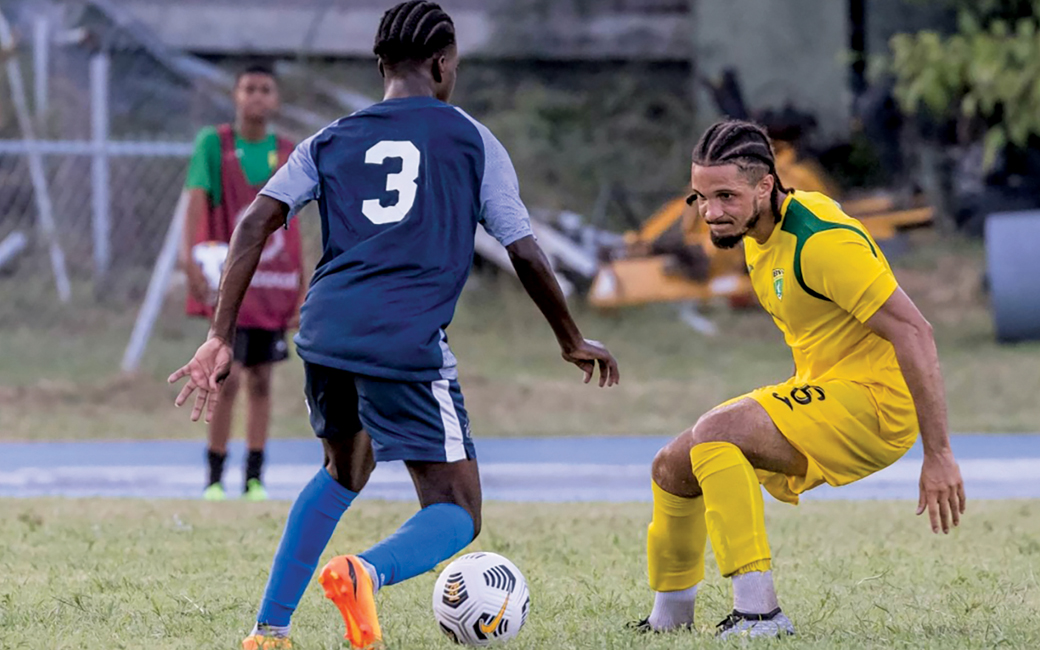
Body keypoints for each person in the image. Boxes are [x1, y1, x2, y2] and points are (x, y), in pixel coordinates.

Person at [168, 2, 620, 648]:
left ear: (380, 65)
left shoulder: (330, 138)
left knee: (343, 470)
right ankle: (364, 573)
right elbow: (523, 249)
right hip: (404, 341)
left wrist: (219, 333)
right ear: (443, 64)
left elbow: (252, 223)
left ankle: (269, 630)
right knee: (457, 510)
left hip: (324, 331)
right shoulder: (471, 140)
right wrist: (571, 338)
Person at [634, 120, 965, 639]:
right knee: (672, 465)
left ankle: (760, 616)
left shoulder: (820, 243)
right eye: (700, 196)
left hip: (876, 407)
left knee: (717, 432)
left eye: (726, 195)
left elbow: (916, 333)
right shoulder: (754, 233)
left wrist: (939, 454)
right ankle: (668, 621)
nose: (711, 212)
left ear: (766, 184)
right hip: (828, 390)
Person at [180, 63, 306, 502]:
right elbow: (195, 204)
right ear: (235, 95)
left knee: (262, 381)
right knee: (224, 378)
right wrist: (189, 261)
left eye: (264, 89)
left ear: (275, 100)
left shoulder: (289, 152)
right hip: (228, 281)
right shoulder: (214, 144)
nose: (256, 96)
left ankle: (255, 477)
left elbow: (296, 230)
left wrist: (301, 283)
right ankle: (214, 477)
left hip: (271, 282)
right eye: (248, 88)